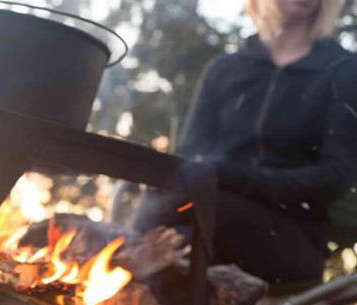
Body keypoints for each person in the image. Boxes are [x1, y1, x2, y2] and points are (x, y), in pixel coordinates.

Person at [134, 0, 357, 287]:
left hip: (290, 238)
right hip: (208, 223)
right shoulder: (225, 70)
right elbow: (189, 158)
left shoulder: (343, 72)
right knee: (174, 243)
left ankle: (131, 258)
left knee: (193, 218)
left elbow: (333, 178)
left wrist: (232, 176)